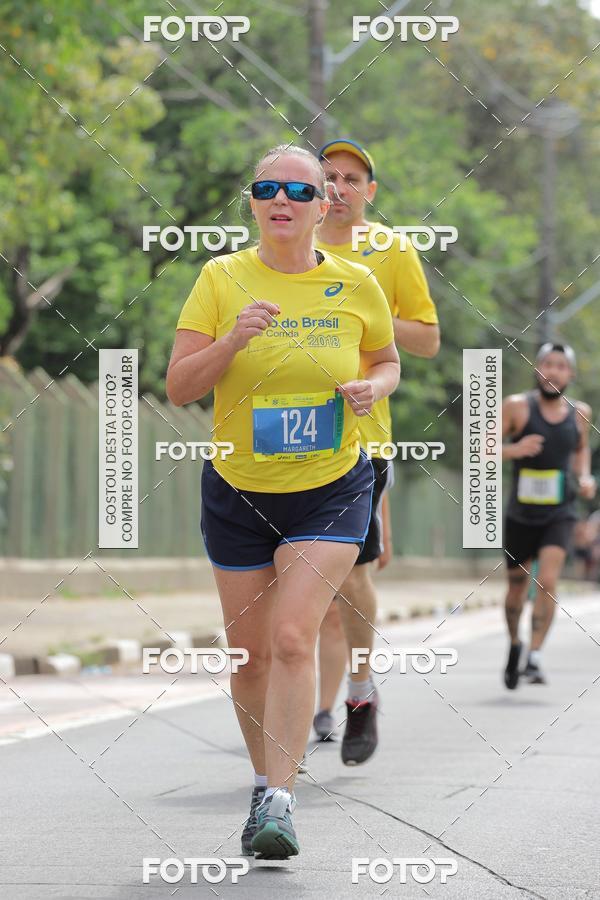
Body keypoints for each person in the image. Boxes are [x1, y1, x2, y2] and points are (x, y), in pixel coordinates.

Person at [166, 144, 400, 859]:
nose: (282, 200)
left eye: (298, 191)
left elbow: (388, 360)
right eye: (266, 188)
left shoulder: (358, 283)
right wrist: (233, 339)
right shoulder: (220, 278)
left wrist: (375, 388)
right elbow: (179, 386)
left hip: (332, 486)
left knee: (296, 636)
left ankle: (278, 800)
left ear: (323, 205)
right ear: (253, 202)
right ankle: (265, 778)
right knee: (250, 657)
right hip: (239, 491)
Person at [312, 139, 440, 763]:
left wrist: (371, 317)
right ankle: (298, 717)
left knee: (352, 579)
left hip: (361, 435)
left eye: (352, 177)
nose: (338, 186)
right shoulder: (284, 246)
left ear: (371, 191)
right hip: (277, 436)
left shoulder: (391, 250)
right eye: (327, 176)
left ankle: (359, 693)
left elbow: (428, 341)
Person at [501, 343, 596, 689]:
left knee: (549, 582)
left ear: (570, 374)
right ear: (537, 370)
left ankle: (535, 656)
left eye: (560, 366)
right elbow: (481, 447)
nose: (552, 371)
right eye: (547, 365)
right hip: (521, 514)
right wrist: (514, 449)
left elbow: (581, 448)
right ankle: (515, 644)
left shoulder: (579, 412)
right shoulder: (516, 406)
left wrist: (584, 477)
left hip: (561, 511)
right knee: (516, 587)